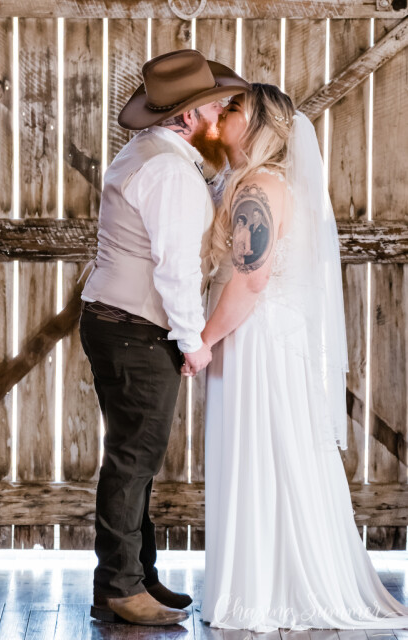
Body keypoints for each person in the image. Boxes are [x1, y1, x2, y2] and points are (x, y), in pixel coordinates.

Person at [192, 83, 408, 632]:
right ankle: (267, 582)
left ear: (259, 126)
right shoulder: (266, 183)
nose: (222, 115)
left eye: (235, 109)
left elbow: (250, 280)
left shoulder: (258, 188)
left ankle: (263, 592)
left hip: (256, 344)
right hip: (267, 340)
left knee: (262, 450)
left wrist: (204, 340)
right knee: (275, 452)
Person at [79, 49, 249, 627]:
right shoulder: (170, 170)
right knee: (133, 459)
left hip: (117, 322)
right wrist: (192, 340)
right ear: (187, 116)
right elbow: (174, 268)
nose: (221, 117)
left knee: (136, 456)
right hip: (136, 327)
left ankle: (137, 574)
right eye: (215, 109)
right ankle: (118, 588)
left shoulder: (153, 153)